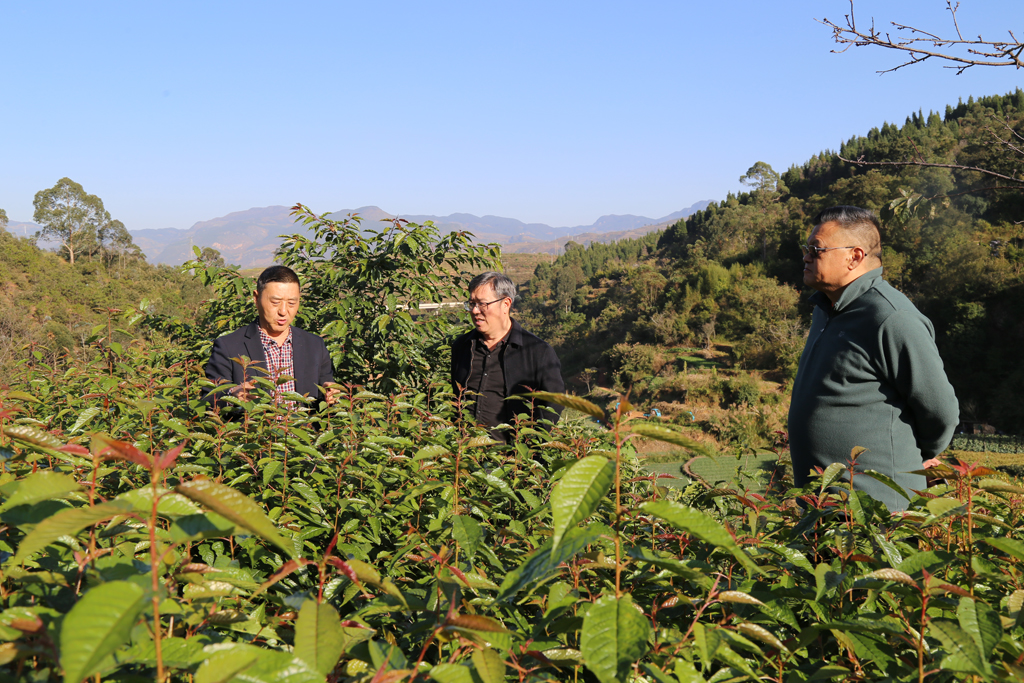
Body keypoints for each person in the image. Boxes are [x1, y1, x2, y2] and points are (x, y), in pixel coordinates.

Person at [788, 206, 958, 511]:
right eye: (806, 248)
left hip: (876, 515)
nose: (806, 257)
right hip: (823, 510)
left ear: (854, 256)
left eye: (816, 250)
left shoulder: (891, 317)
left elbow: (940, 410)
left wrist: (918, 456)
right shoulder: (826, 309)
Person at [451, 272, 565, 440]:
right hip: (466, 457)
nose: (475, 311)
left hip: (513, 460)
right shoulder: (462, 347)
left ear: (506, 304)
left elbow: (554, 403)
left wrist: (531, 448)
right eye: (472, 303)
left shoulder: (538, 352)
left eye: (482, 304)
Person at [204, 265, 337, 408]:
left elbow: (327, 389)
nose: (283, 311)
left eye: (292, 303)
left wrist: (331, 395)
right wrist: (231, 394)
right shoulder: (228, 346)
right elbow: (209, 397)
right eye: (275, 302)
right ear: (256, 298)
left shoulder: (315, 345)